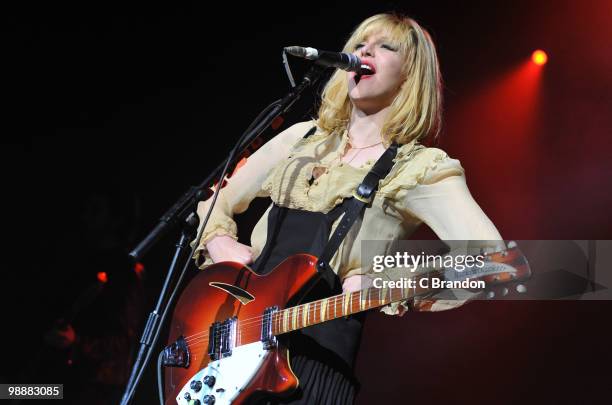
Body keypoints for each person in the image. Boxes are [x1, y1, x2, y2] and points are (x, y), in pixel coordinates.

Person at [192, 13, 503, 404]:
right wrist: (219, 241)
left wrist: (390, 281)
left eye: (385, 46)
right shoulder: (301, 141)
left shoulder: (419, 168)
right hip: (233, 344)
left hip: (314, 366)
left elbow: (493, 259)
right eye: (359, 43)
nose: (364, 51)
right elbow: (214, 198)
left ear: (410, 76)